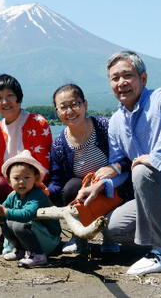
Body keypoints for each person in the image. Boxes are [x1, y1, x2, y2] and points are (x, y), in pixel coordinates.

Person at [77, 50, 161, 276]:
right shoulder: (116, 122)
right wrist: (100, 185)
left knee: (144, 169)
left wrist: (156, 156)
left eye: (127, 76)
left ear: (143, 78)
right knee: (114, 230)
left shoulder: (160, 97)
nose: (121, 83)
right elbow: (120, 167)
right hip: (159, 201)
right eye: (115, 78)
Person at [47, 83, 132, 254]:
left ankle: (110, 236)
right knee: (71, 187)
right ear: (57, 112)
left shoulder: (106, 127)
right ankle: (79, 236)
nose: (69, 111)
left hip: (115, 189)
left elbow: (132, 156)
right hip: (84, 193)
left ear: (84, 105)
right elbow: (57, 182)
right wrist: (45, 192)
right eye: (63, 107)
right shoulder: (58, 144)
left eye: (74, 104)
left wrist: (116, 167)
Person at [0, 74, 52, 203]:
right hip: (7, 186)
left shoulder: (38, 123)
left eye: (10, 96)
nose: (5, 102)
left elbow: (44, 167)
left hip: (35, 185)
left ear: (18, 97)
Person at [0, 150, 61, 268]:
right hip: (32, 236)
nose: (21, 182)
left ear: (36, 179)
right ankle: (20, 250)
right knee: (8, 223)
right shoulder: (13, 196)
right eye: (16, 178)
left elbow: (27, 214)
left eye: (27, 177)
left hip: (49, 238)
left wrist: (5, 212)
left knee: (18, 224)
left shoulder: (36, 195)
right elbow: (4, 212)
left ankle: (38, 255)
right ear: (8, 181)